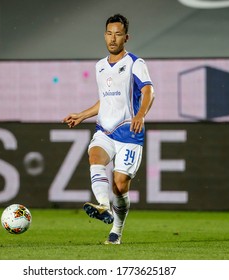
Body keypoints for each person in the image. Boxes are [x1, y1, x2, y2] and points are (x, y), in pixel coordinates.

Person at [63, 13, 155, 244]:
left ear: (126, 37)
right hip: (105, 130)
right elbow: (105, 99)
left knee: (120, 184)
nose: (113, 39)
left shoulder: (135, 63)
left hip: (129, 132)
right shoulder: (100, 66)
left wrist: (141, 114)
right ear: (105, 35)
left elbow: (148, 91)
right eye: (109, 33)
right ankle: (103, 205)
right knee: (94, 156)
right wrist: (82, 115)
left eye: (118, 34)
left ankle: (116, 231)